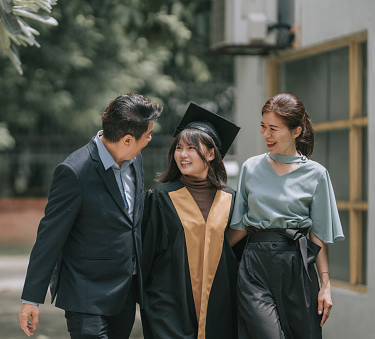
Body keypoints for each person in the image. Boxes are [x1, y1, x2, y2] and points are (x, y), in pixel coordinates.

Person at [18, 94, 162, 338]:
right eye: (147, 134)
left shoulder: (135, 159)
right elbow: (49, 236)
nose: (149, 139)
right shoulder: (74, 172)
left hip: (125, 291)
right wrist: (31, 298)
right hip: (85, 294)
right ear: (127, 139)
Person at [228, 93, 345, 339]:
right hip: (254, 266)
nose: (266, 135)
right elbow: (238, 227)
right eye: (263, 126)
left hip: (297, 265)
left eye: (273, 128)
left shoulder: (316, 174)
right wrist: (205, 254)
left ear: (296, 131)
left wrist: (325, 286)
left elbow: (318, 236)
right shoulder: (250, 167)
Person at [141, 103, 242, 339]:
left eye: (191, 148)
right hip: (170, 315)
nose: (182, 154)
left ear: (210, 153)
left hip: (220, 314)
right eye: (179, 147)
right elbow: (146, 259)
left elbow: (236, 256)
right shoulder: (161, 199)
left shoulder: (230, 200)